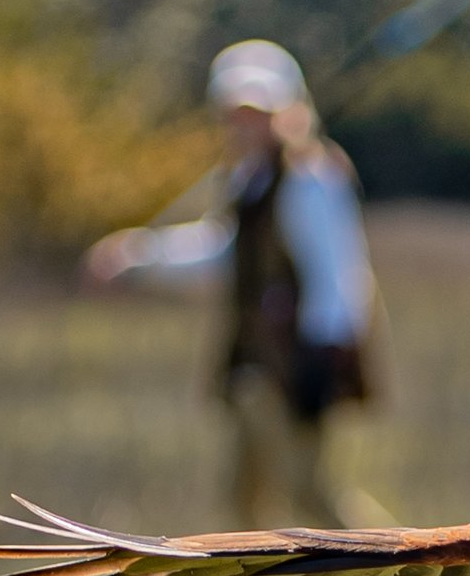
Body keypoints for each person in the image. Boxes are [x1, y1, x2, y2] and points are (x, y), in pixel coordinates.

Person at [86, 40, 383, 530]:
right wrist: (138, 255)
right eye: (235, 113)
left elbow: (339, 275)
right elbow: (222, 252)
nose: (244, 125)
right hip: (255, 362)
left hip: (298, 362)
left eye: (257, 112)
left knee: (307, 491)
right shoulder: (249, 178)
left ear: (287, 110)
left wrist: (322, 361)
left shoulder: (312, 178)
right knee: (246, 498)